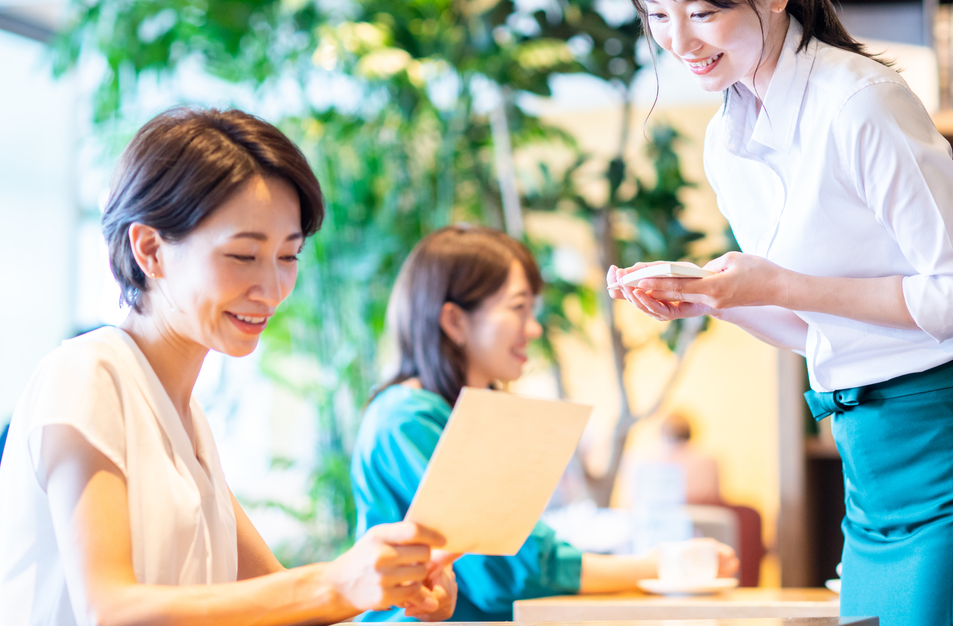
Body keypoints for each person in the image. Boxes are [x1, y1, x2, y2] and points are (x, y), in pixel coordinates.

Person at [609, 0, 953, 626]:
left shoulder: (860, 100)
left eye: (702, 11)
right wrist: (713, 297)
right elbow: (813, 328)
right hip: (869, 457)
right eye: (658, 15)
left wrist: (778, 284)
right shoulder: (728, 141)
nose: (678, 42)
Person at [0, 108, 456, 626]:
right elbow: (111, 611)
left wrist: (396, 588)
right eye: (243, 255)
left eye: (289, 257)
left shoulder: (185, 419)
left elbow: (283, 598)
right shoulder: (87, 375)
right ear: (150, 248)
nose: (273, 289)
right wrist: (338, 584)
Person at [351, 225, 737, 621]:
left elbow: (522, 553)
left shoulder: (462, 414)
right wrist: (659, 567)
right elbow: (505, 571)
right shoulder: (406, 419)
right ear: (454, 321)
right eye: (518, 308)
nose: (533, 328)